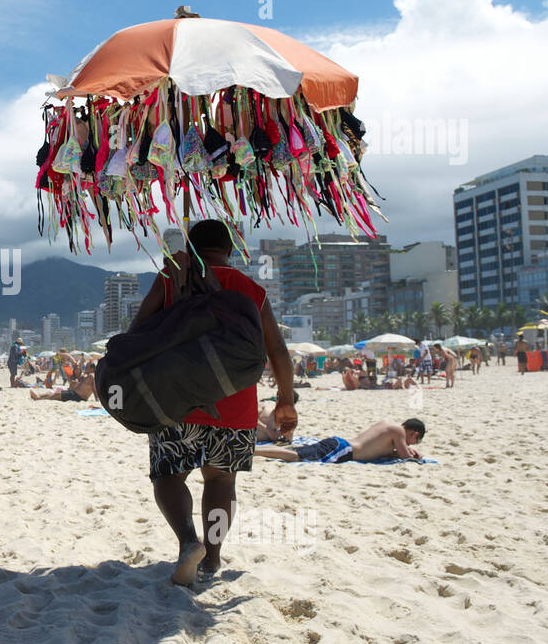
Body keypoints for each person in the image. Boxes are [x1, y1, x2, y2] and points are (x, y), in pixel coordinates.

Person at [133, 221, 297, 586]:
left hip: (177, 400)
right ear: (230, 250)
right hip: (235, 405)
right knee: (221, 479)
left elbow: (137, 332)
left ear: (191, 248)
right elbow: (277, 350)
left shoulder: (172, 279)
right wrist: (286, 400)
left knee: (168, 474)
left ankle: (188, 542)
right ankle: (213, 557)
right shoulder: (252, 289)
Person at [255, 418, 426, 464]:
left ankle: (256, 450)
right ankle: (254, 450)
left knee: (297, 452)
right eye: (414, 442)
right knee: (295, 456)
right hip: (343, 450)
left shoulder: (387, 424)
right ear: (414, 433)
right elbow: (406, 457)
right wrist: (416, 454)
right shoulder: (398, 432)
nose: (411, 444)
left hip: (340, 444)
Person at [30, 363, 96, 402]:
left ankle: (38, 398)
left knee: (56, 396)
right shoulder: (87, 376)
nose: (85, 368)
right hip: (74, 393)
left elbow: (94, 388)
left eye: (87, 367)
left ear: (92, 369)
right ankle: (39, 396)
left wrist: (97, 398)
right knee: (56, 394)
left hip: (78, 397)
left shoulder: (91, 376)